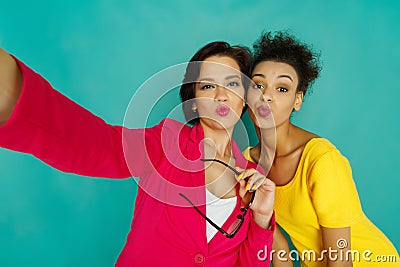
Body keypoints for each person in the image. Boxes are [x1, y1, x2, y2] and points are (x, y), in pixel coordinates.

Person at [0, 42, 276, 266]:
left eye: (232, 84)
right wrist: (14, 96)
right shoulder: (165, 142)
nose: (220, 95)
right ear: (193, 102)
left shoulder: (252, 178)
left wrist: (262, 219)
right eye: (207, 86)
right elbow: (100, 146)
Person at [244, 31, 399, 266]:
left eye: (282, 89)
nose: (266, 96)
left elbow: (340, 260)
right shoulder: (247, 163)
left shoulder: (321, 160)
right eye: (258, 85)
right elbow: (279, 247)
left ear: (298, 101)